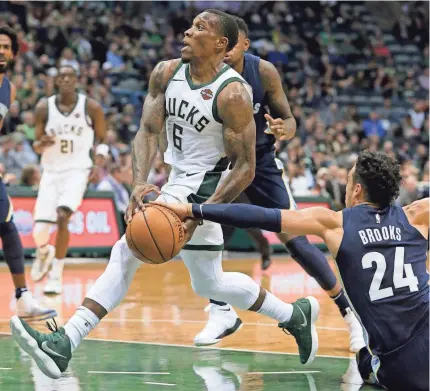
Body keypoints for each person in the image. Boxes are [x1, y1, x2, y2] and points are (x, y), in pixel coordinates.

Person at [9, 10, 320, 379]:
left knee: (126, 251)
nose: (188, 31)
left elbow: (245, 167)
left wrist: (203, 210)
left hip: (204, 190)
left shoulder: (233, 92)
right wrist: (139, 182)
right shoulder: (166, 72)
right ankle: (293, 316)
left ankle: (65, 342)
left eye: (200, 28)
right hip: (175, 179)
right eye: (191, 25)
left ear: (222, 44)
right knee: (210, 283)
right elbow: (147, 130)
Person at [155, 151, 429, 391]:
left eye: (347, 182)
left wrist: (192, 209)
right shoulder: (418, 215)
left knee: (364, 360)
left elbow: (260, 216)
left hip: (403, 371)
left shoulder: (335, 224)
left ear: (356, 190)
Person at [188, 16, 362, 350]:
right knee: (206, 235)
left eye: (230, 44)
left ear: (244, 44)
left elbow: (291, 119)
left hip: (261, 164)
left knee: (297, 240)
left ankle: (349, 313)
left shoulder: (263, 72)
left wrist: (285, 129)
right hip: (222, 166)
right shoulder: (203, 69)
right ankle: (220, 311)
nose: (223, 51)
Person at [30, 65, 106, 294]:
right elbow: (36, 143)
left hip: (77, 170)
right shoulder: (44, 107)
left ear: (76, 80)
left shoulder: (90, 107)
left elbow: (102, 140)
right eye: (60, 76)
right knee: (39, 233)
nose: (64, 80)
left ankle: (56, 274)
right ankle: (44, 251)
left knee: (63, 216)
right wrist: (41, 144)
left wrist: (98, 164)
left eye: (69, 76)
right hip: (51, 172)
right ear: (55, 81)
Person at [0, 26, 56, 320]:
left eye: (7, 47)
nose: (1, 50)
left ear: (13, 53)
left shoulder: (6, 86)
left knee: (7, 227)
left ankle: (23, 298)